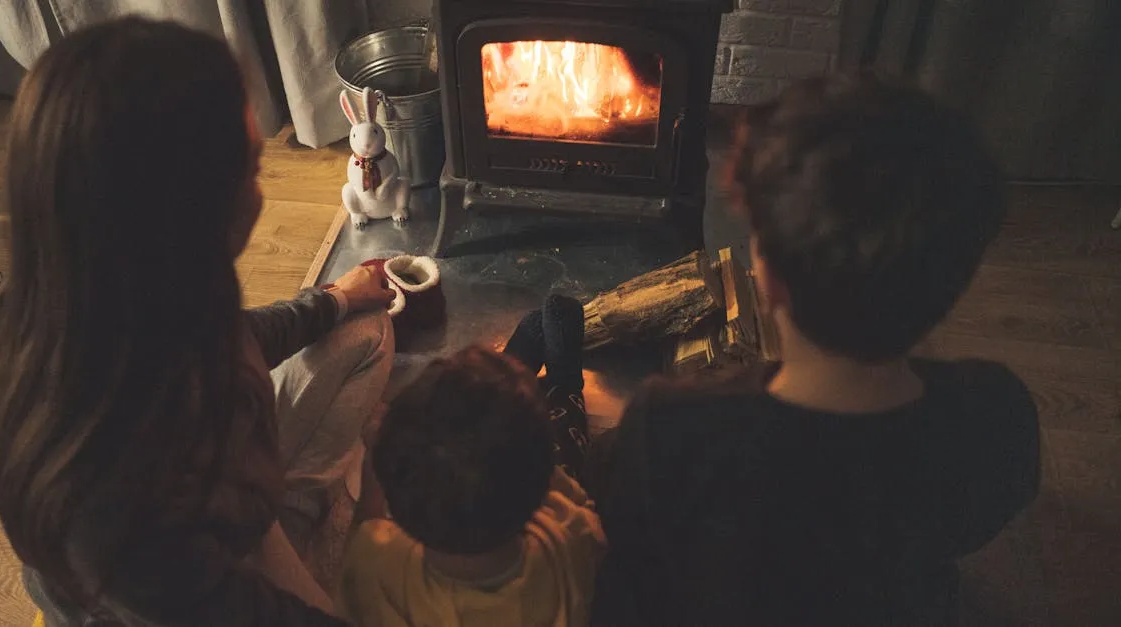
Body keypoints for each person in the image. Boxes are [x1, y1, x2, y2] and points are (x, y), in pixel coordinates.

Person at [0, 18, 397, 626]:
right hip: (191, 575)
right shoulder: (117, 516)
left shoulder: (104, 293)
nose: (260, 193)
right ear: (186, 211)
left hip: (221, 506)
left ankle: (309, 511)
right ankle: (323, 519)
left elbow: (238, 341)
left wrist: (335, 299)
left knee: (366, 332)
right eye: (252, 168)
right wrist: (374, 520)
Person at [589, 74, 1040, 626]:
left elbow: (632, 541)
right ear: (955, 284)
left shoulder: (670, 428)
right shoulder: (994, 416)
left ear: (769, 279)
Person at [339, 342, 606, 627]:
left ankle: (531, 339)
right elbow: (569, 493)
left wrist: (373, 470)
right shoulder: (570, 532)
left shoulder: (377, 561)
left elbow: (361, 538)